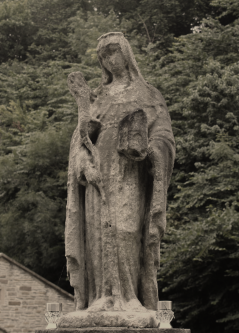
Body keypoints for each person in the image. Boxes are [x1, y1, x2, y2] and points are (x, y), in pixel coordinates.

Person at [65, 32, 175, 315]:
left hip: (130, 173)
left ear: (126, 53)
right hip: (97, 176)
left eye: (113, 51)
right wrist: (84, 166)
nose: (109, 59)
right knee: (98, 234)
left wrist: (150, 151)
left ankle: (129, 298)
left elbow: (164, 137)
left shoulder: (148, 94)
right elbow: (79, 141)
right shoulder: (97, 97)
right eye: (103, 56)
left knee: (126, 230)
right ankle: (101, 297)